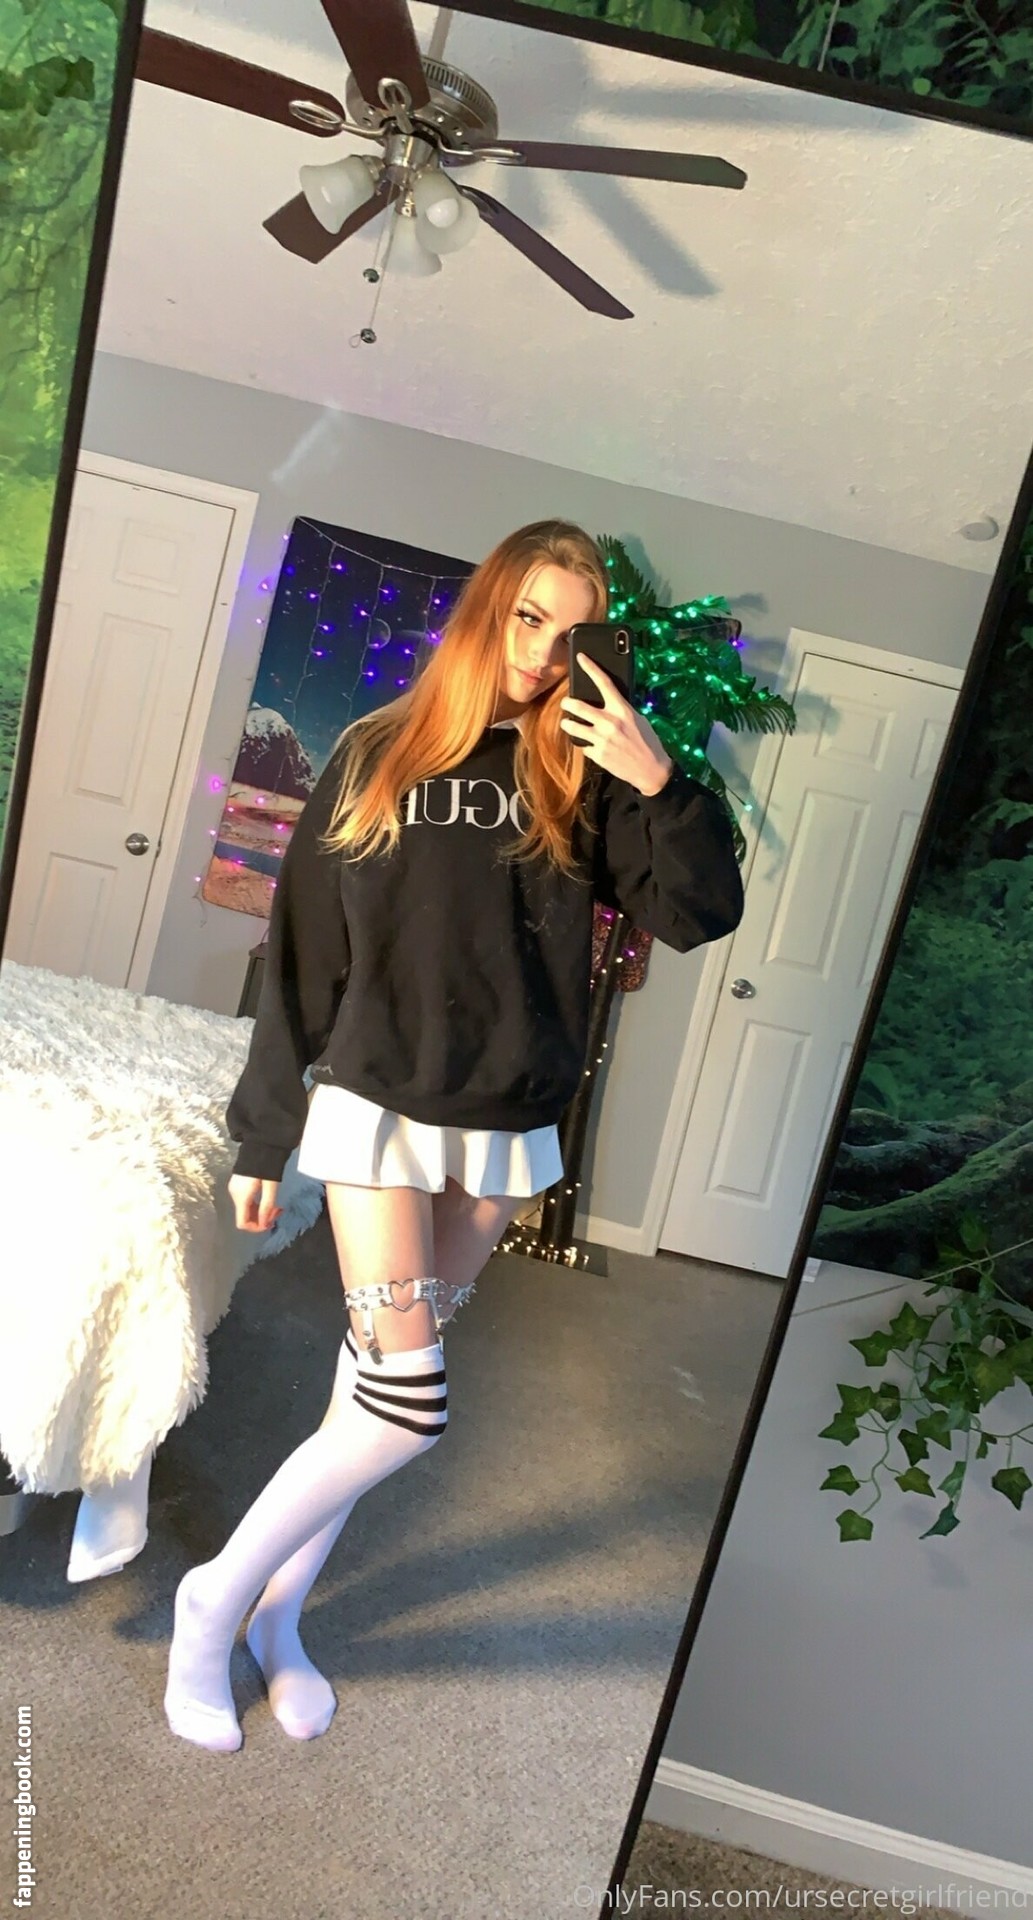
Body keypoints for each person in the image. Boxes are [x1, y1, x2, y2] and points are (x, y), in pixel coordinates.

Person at [163, 519, 744, 1752]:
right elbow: (303, 949)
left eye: (571, 630)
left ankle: (280, 1618)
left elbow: (699, 914)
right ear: (489, 609)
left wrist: (659, 782)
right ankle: (211, 1602)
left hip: (506, 1118)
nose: (543, 651)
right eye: (527, 617)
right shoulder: (378, 749)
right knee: (405, 1404)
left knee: (364, 1382)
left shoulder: (590, 773)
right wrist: (264, 1132)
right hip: (379, 1099)